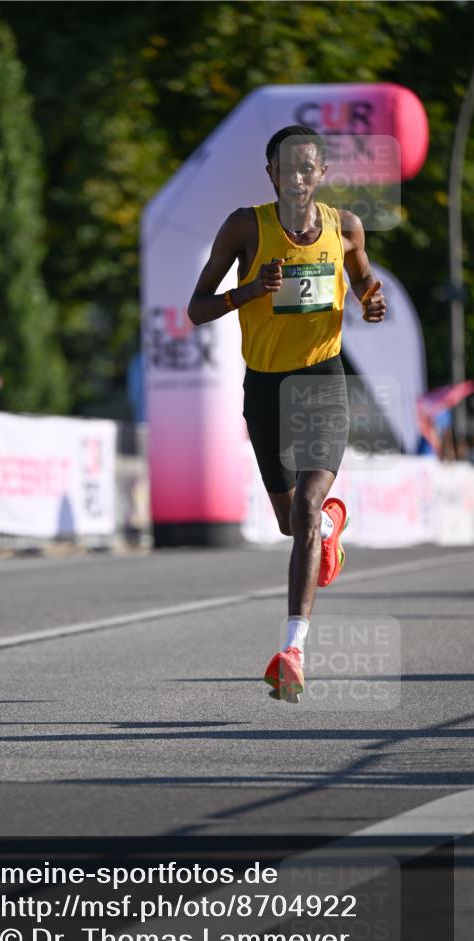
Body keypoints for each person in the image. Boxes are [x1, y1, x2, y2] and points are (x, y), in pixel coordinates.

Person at [187, 125, 386, 703]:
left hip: (322, 380)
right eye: (286, 168)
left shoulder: (344, 227)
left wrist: (371, 296)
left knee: (303, 503)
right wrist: (247, 292)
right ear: (270, 174)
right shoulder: (245, 226)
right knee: (289, 523)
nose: (297, 177)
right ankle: (327, 529)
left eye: (308, 168)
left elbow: (362, 275)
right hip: (265, 387)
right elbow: (197, 309)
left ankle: (292, 650)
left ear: (321, 173)